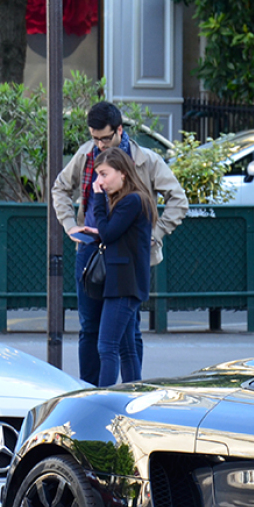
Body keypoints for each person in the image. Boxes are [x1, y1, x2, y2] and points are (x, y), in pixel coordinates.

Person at [51, 101, 188, 385]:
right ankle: (89, 388)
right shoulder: (86, 155)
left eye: (105, 137)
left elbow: (178, 200)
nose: (99, 144)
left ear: (119, 130)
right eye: (94, 137)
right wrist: (69, 225)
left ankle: (123, 391)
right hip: (90, 248)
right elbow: (60, 187)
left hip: (127, 253)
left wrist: (157, 233)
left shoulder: (145, 160)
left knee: (126, 331)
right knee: (90, 326)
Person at [68, 148, 155, 387]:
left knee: (106, 347)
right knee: (126, 349)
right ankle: (132, 393)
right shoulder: (134, 200)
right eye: (98, 176)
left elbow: (108, 233)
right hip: (125, 281)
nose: (100, 182)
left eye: (104, 174)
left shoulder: (131, 200)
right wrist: (94, 231)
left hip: (123, 284)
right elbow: (116, 234)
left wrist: (97, 201)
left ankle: (104, 397)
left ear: (123, 173)